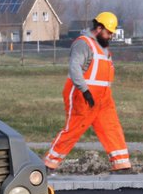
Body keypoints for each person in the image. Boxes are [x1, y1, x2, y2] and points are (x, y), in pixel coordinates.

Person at [43, 12, 131, 173]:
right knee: (74, 129)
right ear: (99, 28)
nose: (111, 36)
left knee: (111, 127)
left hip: (103, 98)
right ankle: (49, 164)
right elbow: (74, 68)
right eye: (109, 32)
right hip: (82, 95)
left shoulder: (103, 48)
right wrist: (85, 92)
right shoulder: (83, 44)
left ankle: (122, 165)